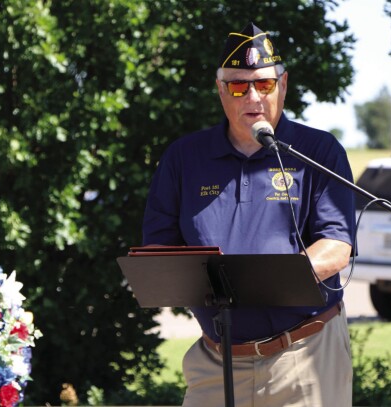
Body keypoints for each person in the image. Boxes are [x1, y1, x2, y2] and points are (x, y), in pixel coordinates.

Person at [142, 22, 355, 407]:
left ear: (283, 85)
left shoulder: (318, 151)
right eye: (238, 86)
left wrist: (258, 281)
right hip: (215, 361)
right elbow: (158, 249)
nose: (253, 96)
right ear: (221, 89)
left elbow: (337, 244)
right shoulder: (183, 158)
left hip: (304, 355)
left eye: (264, 84)